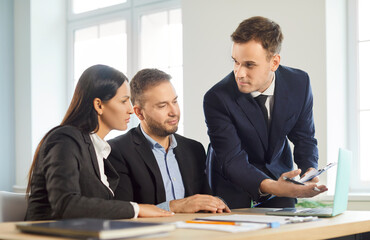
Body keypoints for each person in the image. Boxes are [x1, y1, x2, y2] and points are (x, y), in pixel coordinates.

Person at [203, 16, 328, 209]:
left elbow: (304, 138)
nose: (239, 73)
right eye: (236, 62)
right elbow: (232, 160)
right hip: (231, 181)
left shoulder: (299, 83)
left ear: (274, 62)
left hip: (279, 173)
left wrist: (309, 171)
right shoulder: (217, 98)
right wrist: (275, 187)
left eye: (249, 64)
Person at [25, 64, 173, 220]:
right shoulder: (65, 140)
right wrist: (136, 208)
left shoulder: (98, 149)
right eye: (124, 101)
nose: (130, 109)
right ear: (99, 105)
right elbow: (66, 205)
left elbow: (99, 209)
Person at [108, 69, 230, 213]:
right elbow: (122, 213)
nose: (174, 112)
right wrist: (175, 207)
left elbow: (204, 202)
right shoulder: (117, 151)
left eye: (175, 101)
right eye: (162, 106)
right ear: (139, 112)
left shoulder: (194, 149)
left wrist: (215, 204)